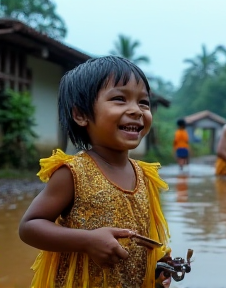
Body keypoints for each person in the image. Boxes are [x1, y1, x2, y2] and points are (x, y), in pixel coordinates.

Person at [18, 56, 171, 288]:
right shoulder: (73, 173)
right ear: (81, 115)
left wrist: (158, 267)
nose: (136, 111)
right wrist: (87, 240)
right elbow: (29, 226)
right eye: (120, 99)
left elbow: (144, 237)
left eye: (144, 103)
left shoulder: (145, 175)